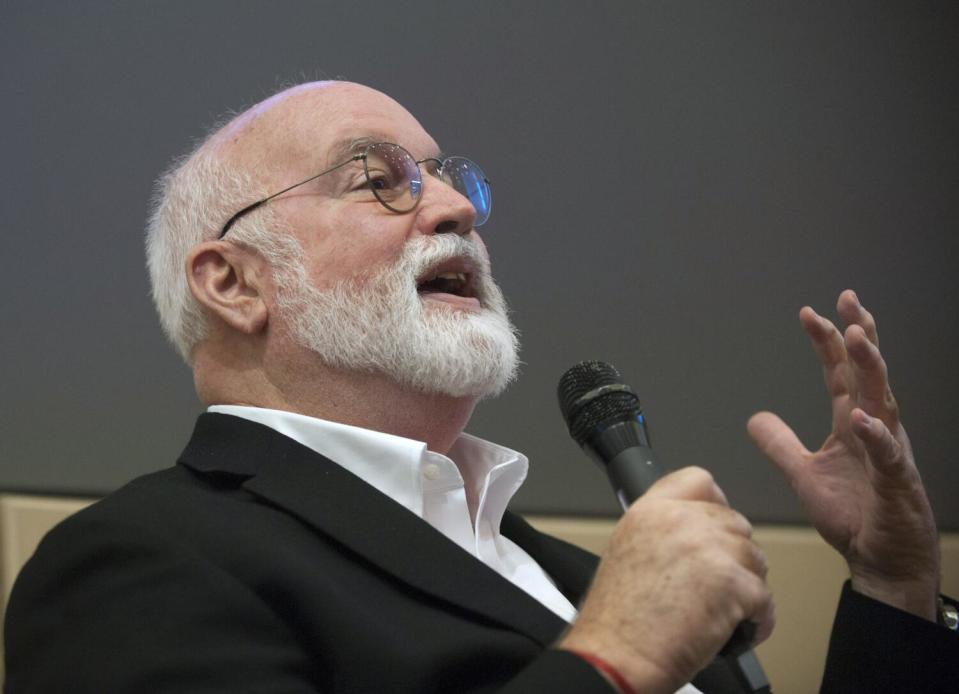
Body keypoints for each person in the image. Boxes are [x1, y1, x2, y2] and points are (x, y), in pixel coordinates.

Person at [4, 81, 956, 694]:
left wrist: (893, 583)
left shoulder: (570, 577)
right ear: (234, 282)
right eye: (380, 179)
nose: (457, 207)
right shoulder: (133, 565)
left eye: (450, 181)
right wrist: (611, 661)